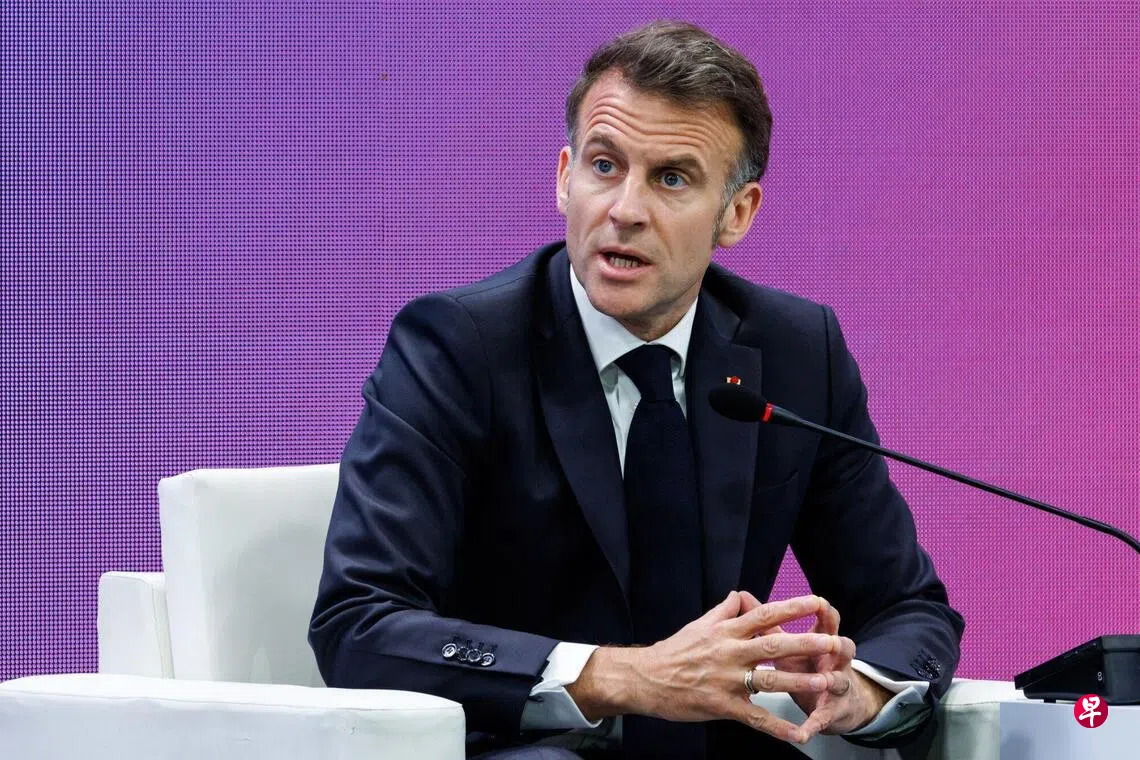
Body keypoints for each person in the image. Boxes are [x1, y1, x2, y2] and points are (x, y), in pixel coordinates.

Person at [309, 20, 964, 759]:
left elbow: (907, 609)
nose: (624, 210)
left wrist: (861, 689)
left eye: (671, 178)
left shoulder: (795, 353)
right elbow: (359, 625)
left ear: (737, 213)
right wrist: (623, 678)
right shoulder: (459, 348)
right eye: (604, 165)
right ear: (565, 178)